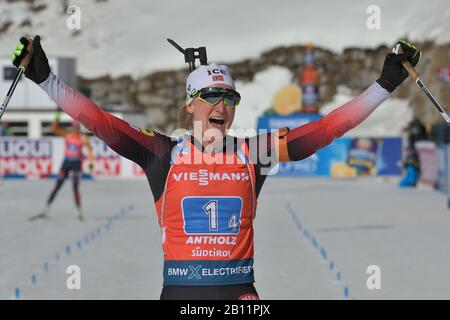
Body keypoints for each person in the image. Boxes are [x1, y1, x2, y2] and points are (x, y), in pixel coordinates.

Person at [12, 36, 420, 299]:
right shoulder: (163, 153)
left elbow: (328, 127)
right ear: (191, 104)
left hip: (241, 296)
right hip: (181, 296)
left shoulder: (253, 154)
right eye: (211, 96)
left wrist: (384, 85)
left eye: (230, 98)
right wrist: (46, 79)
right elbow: (100, 122)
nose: (222, 106)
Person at [30, 110, 94, 221]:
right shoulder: (67, 134)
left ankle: (78, 212)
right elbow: (54, 128)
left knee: (75, 187)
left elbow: (90, 150)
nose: (75, 129)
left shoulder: (83, 138)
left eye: (77, 127)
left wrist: (91, 162)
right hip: (67, 162)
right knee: (58, 186)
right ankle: (46, 209)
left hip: (76, 163)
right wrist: (57, 116)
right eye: (74, 127)